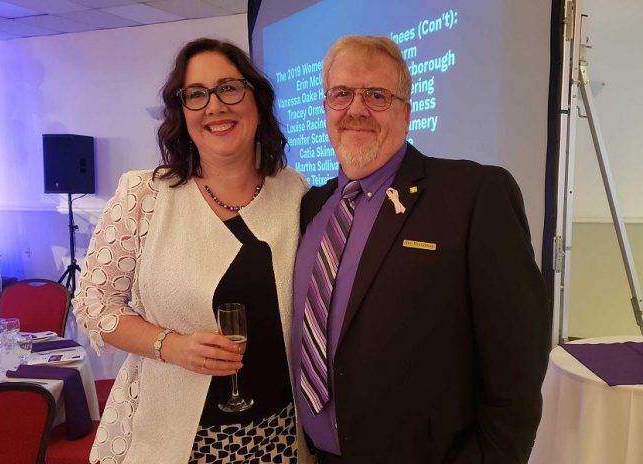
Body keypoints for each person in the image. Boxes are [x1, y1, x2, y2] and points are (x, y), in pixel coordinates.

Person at [291, 35, 551, 464]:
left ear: (405, 113)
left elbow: (517, 369)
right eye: (342, 94)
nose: (356, 109)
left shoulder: (474, 195)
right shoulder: (312, 208)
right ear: (326, 108)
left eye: (376, 95)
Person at [73, 38, 314, 464]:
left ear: (256, 101)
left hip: (278, 434)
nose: (214, 106)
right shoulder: (143, 195)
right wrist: (171, 345)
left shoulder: (293, 192)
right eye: (196, 94)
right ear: (182, 113)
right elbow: (93, 305)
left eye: (229, 88)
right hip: (172, 437)